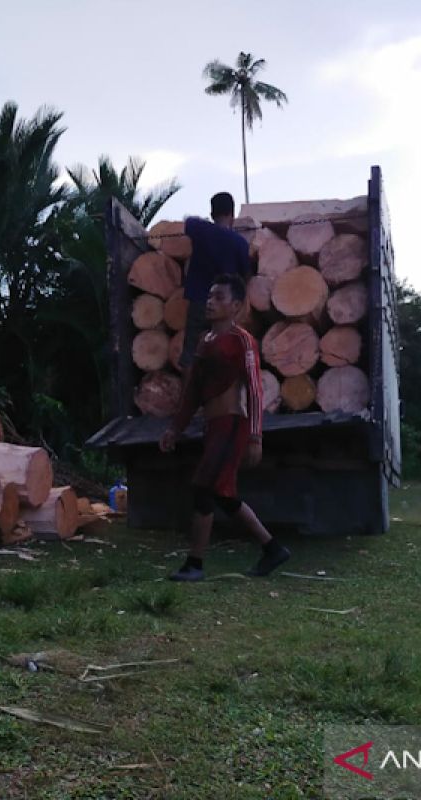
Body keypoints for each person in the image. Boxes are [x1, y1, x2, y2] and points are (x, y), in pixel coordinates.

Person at [159, 274, 290, 581]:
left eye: (218, 297)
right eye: (209, 296)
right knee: (223, 494)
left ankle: (195, 564)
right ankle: (273, 549)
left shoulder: (243, 340)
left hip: (234, 424)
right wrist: (174, 430)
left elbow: (256, 389)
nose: (210, 302)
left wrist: (256, 435)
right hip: (213, 426)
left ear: (235, 306)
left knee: (204, 487)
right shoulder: (205, 342)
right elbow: (192, 393)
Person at [178, 192, 251, 370]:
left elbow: (188, 221)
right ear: (232, 215)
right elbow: (246, 275)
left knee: (191, 353)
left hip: (198, 300)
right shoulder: (240, 243)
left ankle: (188, 394)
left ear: (212, 214)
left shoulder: (200, 229)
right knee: (223, 351)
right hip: (225, 304)